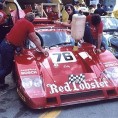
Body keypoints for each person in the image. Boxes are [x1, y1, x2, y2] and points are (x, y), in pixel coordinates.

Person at [0, 12, 48, 89]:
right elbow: (35, 38)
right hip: (8, 47)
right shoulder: (29, 25)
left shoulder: (20, 21)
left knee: (2, 67)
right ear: (32, 20)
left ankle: (1, 85)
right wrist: (41, 49)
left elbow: (24, 34)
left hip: (4, 43)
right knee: (7, 69)